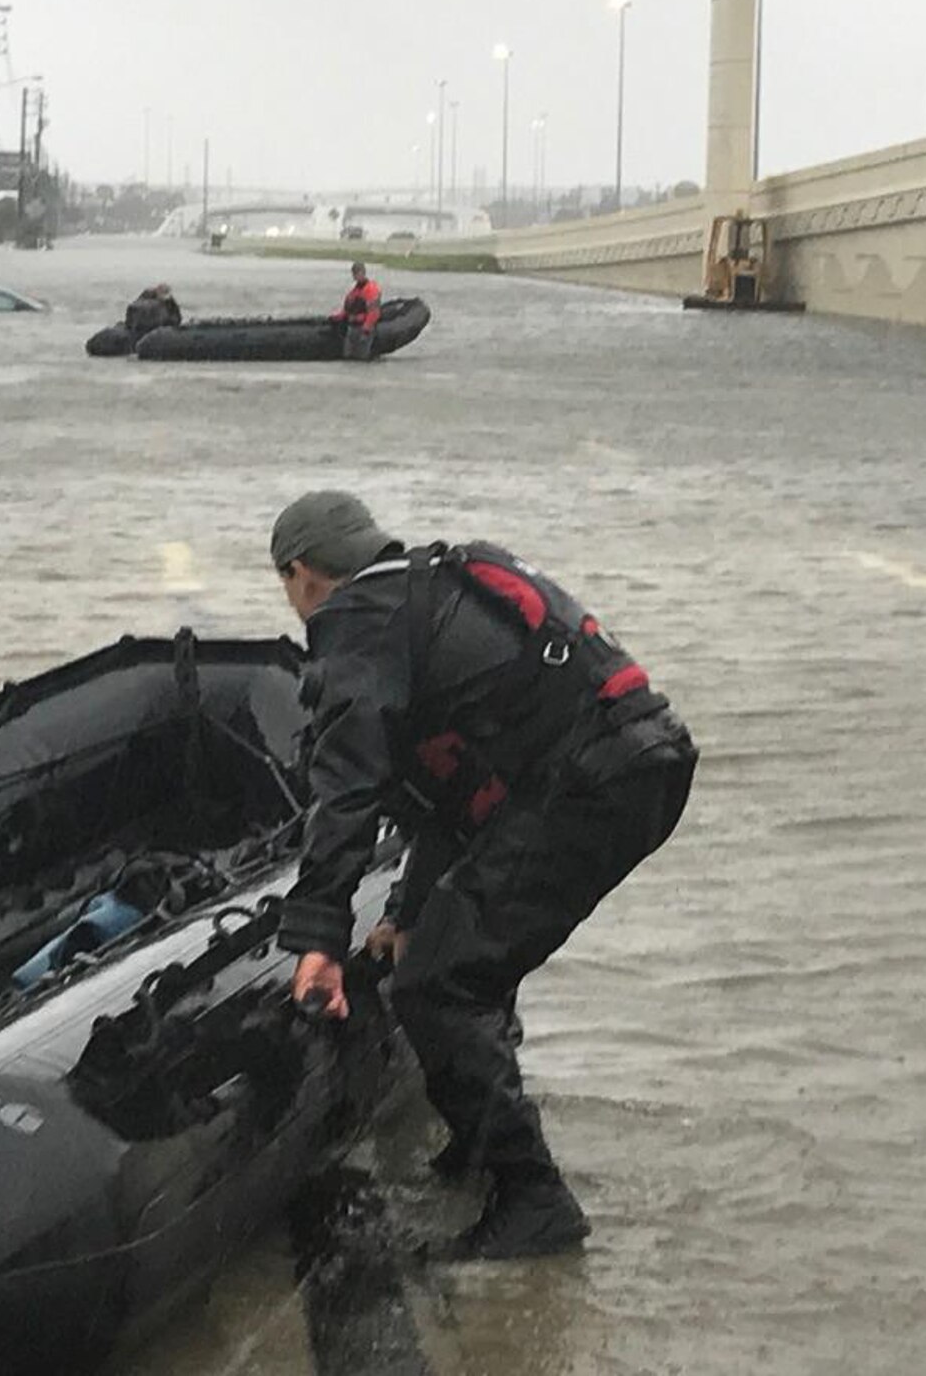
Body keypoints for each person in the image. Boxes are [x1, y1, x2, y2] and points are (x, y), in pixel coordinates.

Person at [269, 491, 696, 1260]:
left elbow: (349, 788)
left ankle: (534, 1199)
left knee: (439, 983)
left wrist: (319, 939)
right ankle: (480, 1156)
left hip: (589, 783)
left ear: (301, 575)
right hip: (637, 764)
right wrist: (402, 913)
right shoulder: (427, 590)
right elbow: (453, 802)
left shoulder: (359, 622)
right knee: (455, 950)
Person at [332, 262, 381, 360]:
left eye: (357, 273)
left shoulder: (371, 289)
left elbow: (373, 312)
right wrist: (336, 317)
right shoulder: (354, 291)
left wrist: (366, 330)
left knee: (361, 358)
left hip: (363, 329)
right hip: (352, 329)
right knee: (348, 357)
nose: (355, 276)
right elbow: (347, 310)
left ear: (363, 273)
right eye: (353, 274)